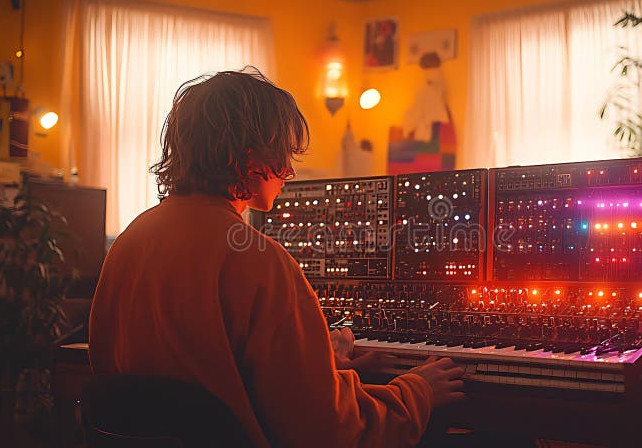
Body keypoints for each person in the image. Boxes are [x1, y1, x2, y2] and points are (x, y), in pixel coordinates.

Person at [88, 67, 465, 448]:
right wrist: (416, 391)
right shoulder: (258, 261)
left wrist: (321, 367)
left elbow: (188, 384)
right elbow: (329, 432)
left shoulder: (129, 243)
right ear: (247, 158)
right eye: (282, 152)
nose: (289, 171)